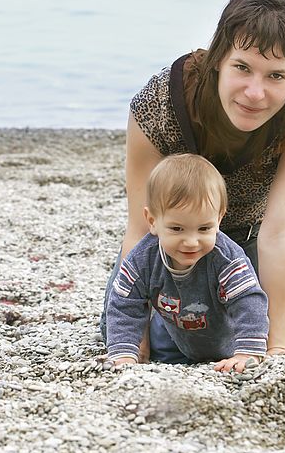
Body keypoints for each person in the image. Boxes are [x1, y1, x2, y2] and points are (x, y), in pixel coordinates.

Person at [100, 0, 285, 364]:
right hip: (171, 238)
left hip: (254, 235)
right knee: (122, 333)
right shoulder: (159, 102)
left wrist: (275, 350)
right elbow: (139, 227)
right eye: (242, 68)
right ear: (218, 60)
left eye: (276, 76)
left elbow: (280, 230)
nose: (254, 92)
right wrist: (137, 348)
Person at [106, 153, 269, 373]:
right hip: (173, 336)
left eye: (204, 229)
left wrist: (247, 351)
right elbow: (125, 303)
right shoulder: (143, 259)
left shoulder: (227, 258)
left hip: (226, 341)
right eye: (176, 229)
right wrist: (125, 354)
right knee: (139, 337)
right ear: (153, 221)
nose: (191, 242)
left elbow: (248, 300)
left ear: (219, 219)